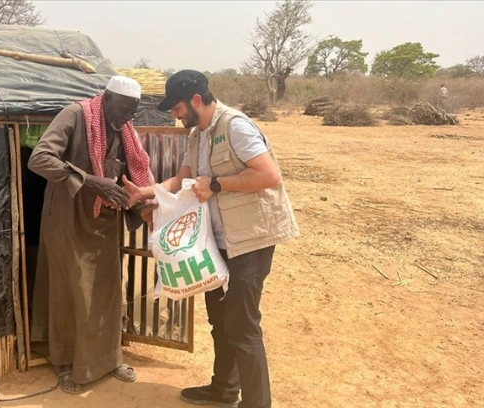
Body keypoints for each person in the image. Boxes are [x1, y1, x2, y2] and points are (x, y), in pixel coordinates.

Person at [124, 70, 299, 408]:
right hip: (220, 239)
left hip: (251, 240)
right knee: (220, 321)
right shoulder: (197, 134)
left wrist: (216, 183)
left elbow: (267, 174)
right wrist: (146, 193)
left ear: (195, 100)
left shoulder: (235, 126)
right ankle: (224, 391)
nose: (172, 115)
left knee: (243, 327)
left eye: (175, 108)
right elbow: (182, 179)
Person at [28, 76, 155, 394]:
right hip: (69, 220)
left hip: (106, 221)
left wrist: (138, 203)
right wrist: (91, 181)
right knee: (72, 291)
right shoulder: (75, 114)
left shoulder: (124, 127)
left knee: (109, 291)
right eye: (122, 110)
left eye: (132, 113)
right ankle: (67, 363)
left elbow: (130, 171)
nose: (125, 118)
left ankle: (110, 358)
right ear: (108, 98)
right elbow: (40, 158)